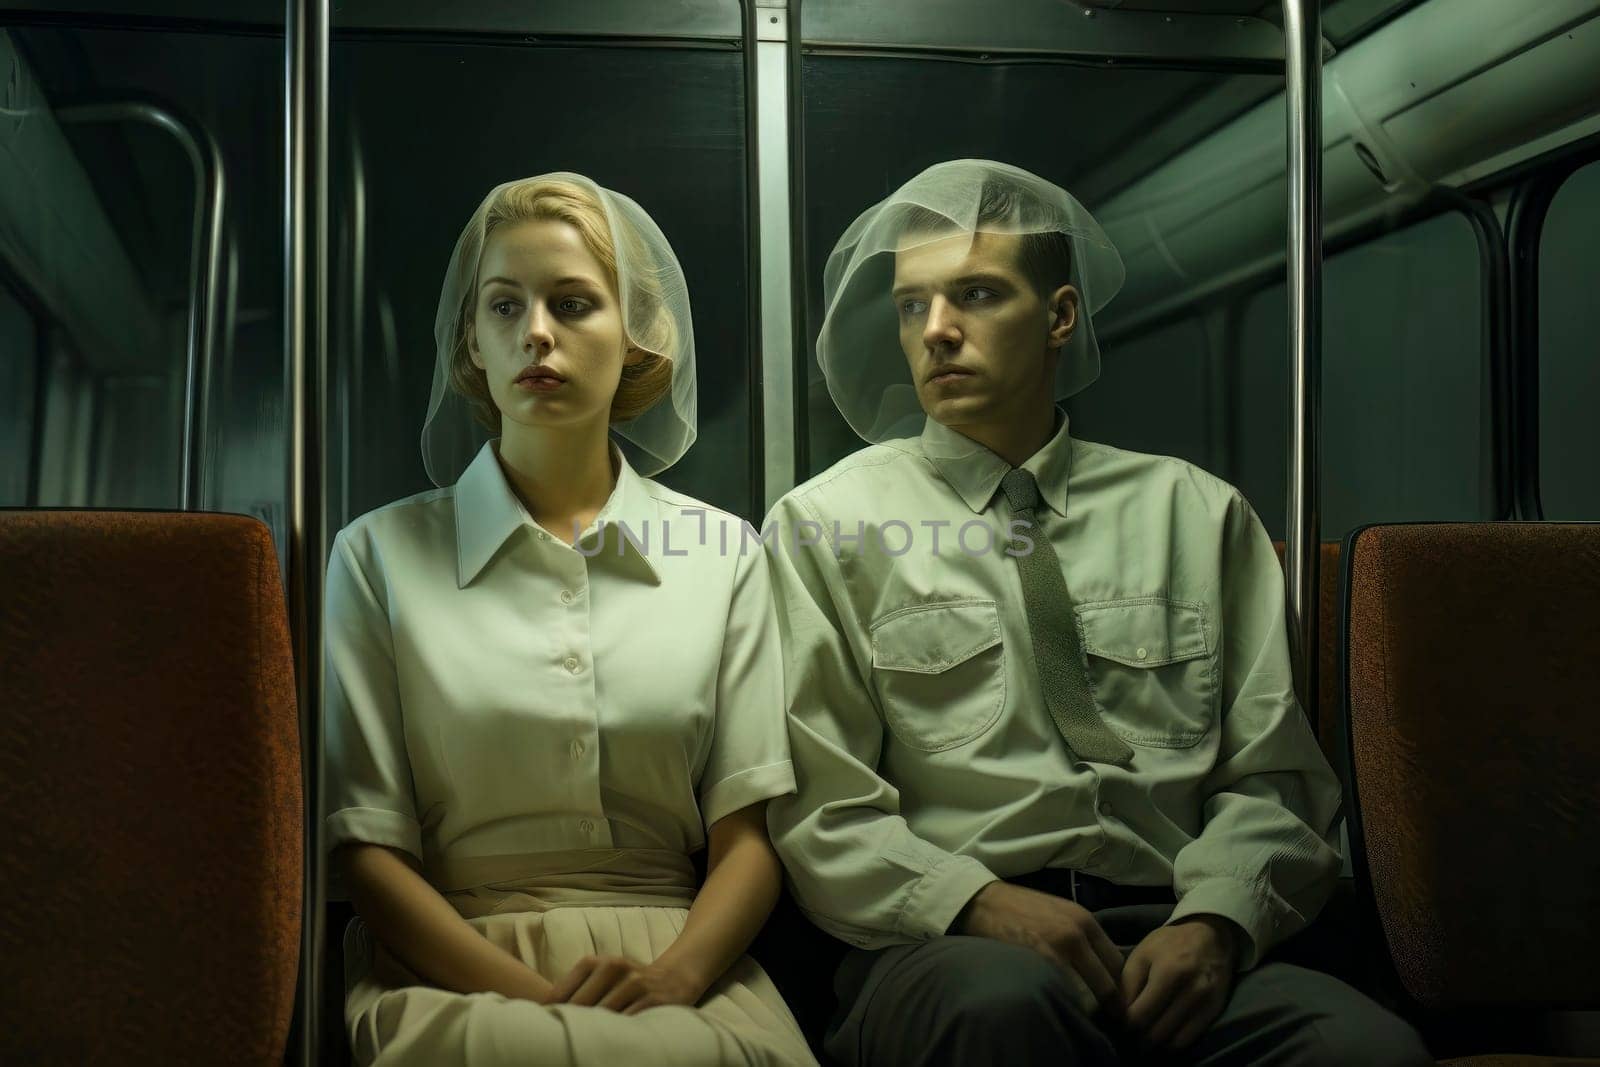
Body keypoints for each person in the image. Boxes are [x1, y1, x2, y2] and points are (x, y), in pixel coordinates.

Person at [762, 159, 1431, 1066]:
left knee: (1366, 1050)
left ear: (1060, 316)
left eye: (976, 294)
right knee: (1004, 1009)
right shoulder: (825, 525)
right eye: (912, 305)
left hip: (1172, 924)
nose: (938, 331)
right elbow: (822, 808)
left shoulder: (1196, 513)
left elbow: (1276, 778)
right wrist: (973, 901)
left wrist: (1218, 923)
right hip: (945, 939)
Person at [324, 173, 815, 1066]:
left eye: (574, 303)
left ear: (637, 337)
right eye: (504, 306)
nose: (536, 333)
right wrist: (547, 1005)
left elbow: (749, 837)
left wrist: (672, 980)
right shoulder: (375, 556)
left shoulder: (726, 553)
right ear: (471, 339)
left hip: (686, 963)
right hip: (450, 963)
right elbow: (367, 852)